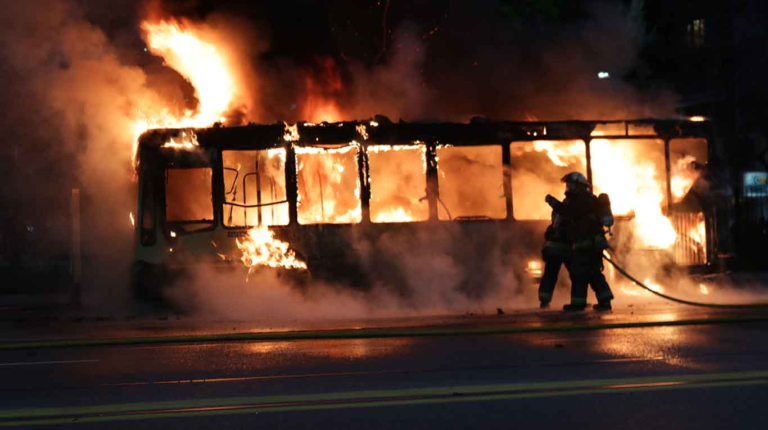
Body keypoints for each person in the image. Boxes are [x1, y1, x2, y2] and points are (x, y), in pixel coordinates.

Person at [545, 172, 614, 311]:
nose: (568, 187)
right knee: (593, 273)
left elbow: (567, 212)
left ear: (579, 186)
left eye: (571, 185)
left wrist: (552, 202)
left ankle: (578, 303)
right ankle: (605, 301)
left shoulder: (580, 200)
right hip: (591, 243)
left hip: (585, 243)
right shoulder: (588, 199)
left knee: (579, 274)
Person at [538, 210, 572, 309]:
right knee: (576, 275)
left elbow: (547, 237)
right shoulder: (568, 227)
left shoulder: (551, 228)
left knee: (549, 276)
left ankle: (544, 302)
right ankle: (579, 300)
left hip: (553, 253)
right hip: (566, 252)